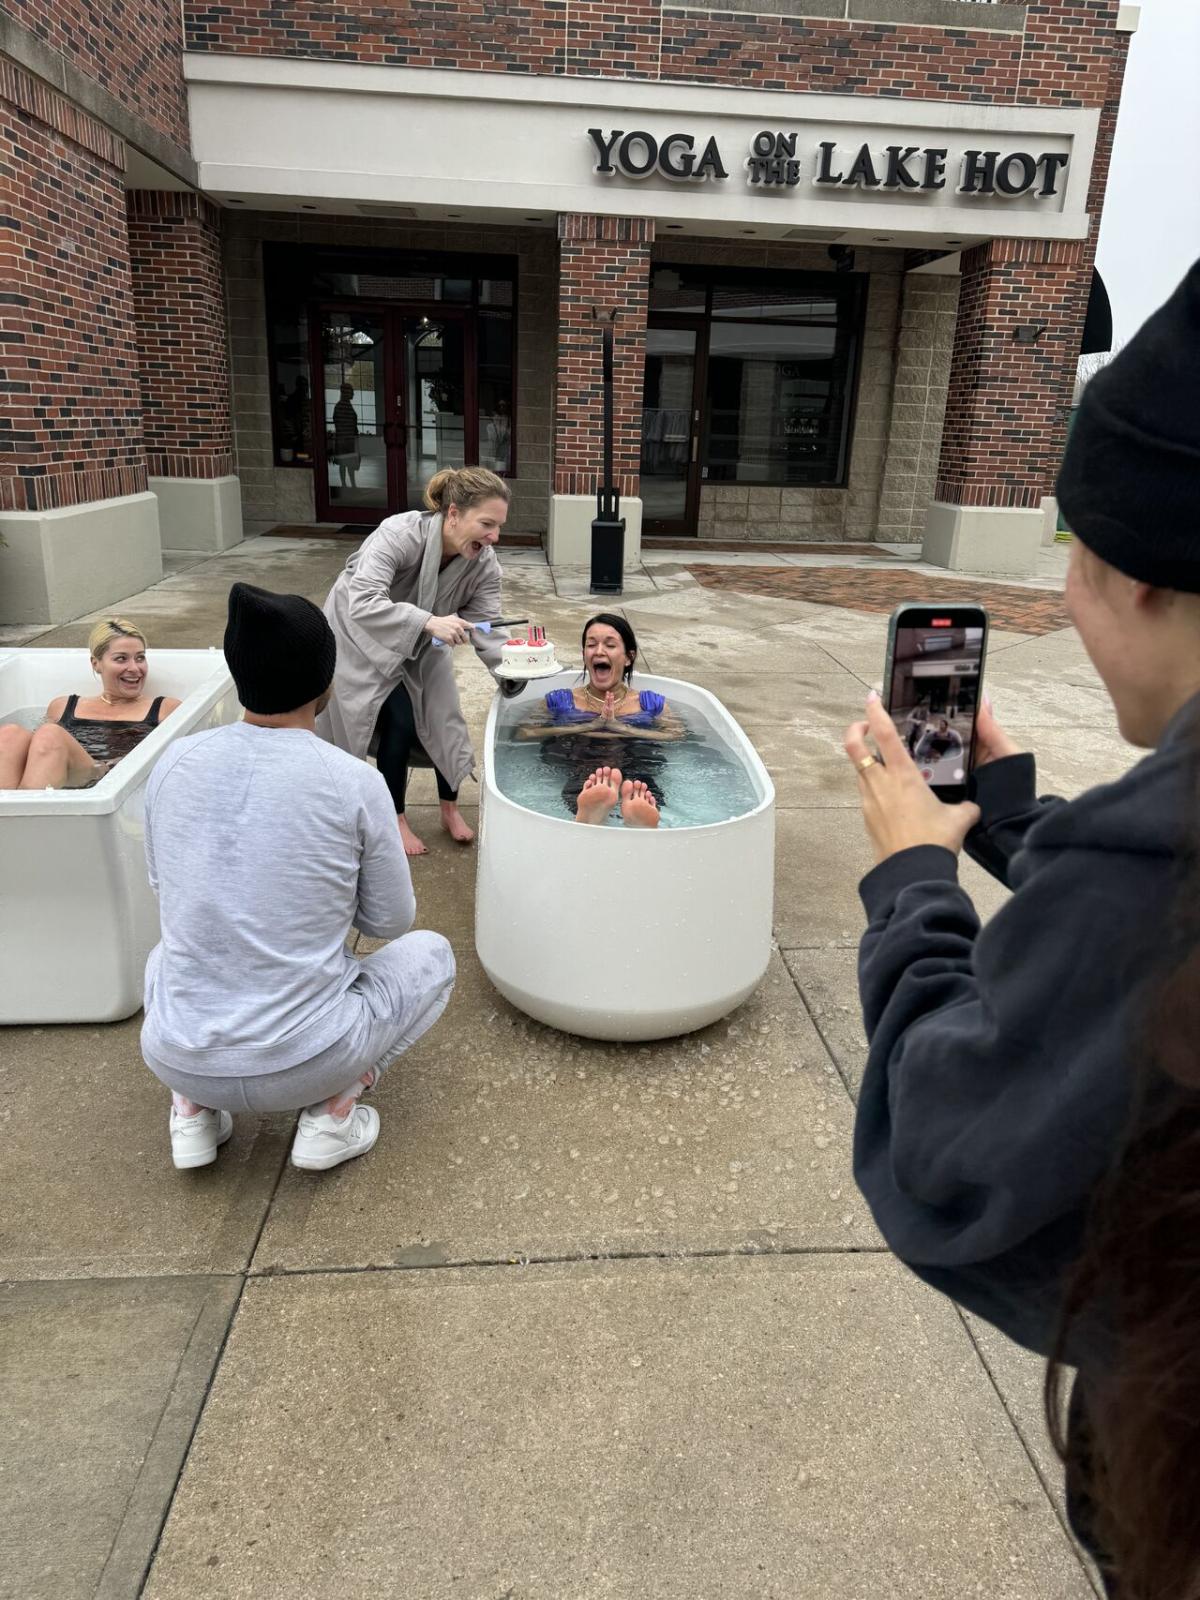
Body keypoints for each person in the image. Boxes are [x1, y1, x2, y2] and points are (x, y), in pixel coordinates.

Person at [842, 260, 1200, 1599]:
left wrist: (911, 888)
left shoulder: (1162, 850)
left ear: (1141, 575)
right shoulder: (1142, 855)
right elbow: (1135, 939)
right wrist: (1012, 822)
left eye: (1076, 558)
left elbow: (942, 1153)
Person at [141, 582, 455, 1174]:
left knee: (164, 955)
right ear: (327, 683)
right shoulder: (351, 781)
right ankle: (334, 1111)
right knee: (433, 955)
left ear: (238, 672)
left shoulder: (172, 765)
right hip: (308, 1058)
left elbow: (166, 886)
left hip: (175, 1053)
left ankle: (192, 1109)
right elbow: (391, 921)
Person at [319, 465, 520, 857]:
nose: (494, 536)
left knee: (445, 716)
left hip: (427, 637)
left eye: (499, 526)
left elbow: (488, 627)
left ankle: (449, 808)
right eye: (487, 523)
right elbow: (362, 601)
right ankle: (395, 818)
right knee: (398, 719)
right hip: (360, 636)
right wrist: (427, 621)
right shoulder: (398, 534)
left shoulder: (484, 562)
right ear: (454, 513)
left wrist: (515, 674)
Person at [515, 613, 683, 824]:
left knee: (639, 769)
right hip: (581, 758)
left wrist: (621, 728)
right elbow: (524, 732)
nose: (599, 651)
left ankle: (634, 817)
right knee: (582, 763)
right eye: (591, 644)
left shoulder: (650, 703)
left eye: (610, 645)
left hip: (634, 757)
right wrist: (585, 727)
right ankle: (594, 808)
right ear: (584, 653)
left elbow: (677, 735)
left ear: (629, 657)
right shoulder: (560, 701)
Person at [0, 618, 179, 790]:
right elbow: (38, 752)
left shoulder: (165, 709)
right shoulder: (63, 706)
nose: (134, 668)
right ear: (96, 664)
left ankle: (22, 815)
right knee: (10, 734)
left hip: (108, 783)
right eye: (121, 659)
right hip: (62, 781)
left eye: (140, 658)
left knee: (50, 733)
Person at [331, 382, 360, 490]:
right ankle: (347, 484)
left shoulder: (343, 406)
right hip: (345, 440)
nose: (353, 393)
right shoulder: (341, 406)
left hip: (347, 440)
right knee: (346, 463)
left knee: (347, 463)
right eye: (351, 391)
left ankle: (350, 484)